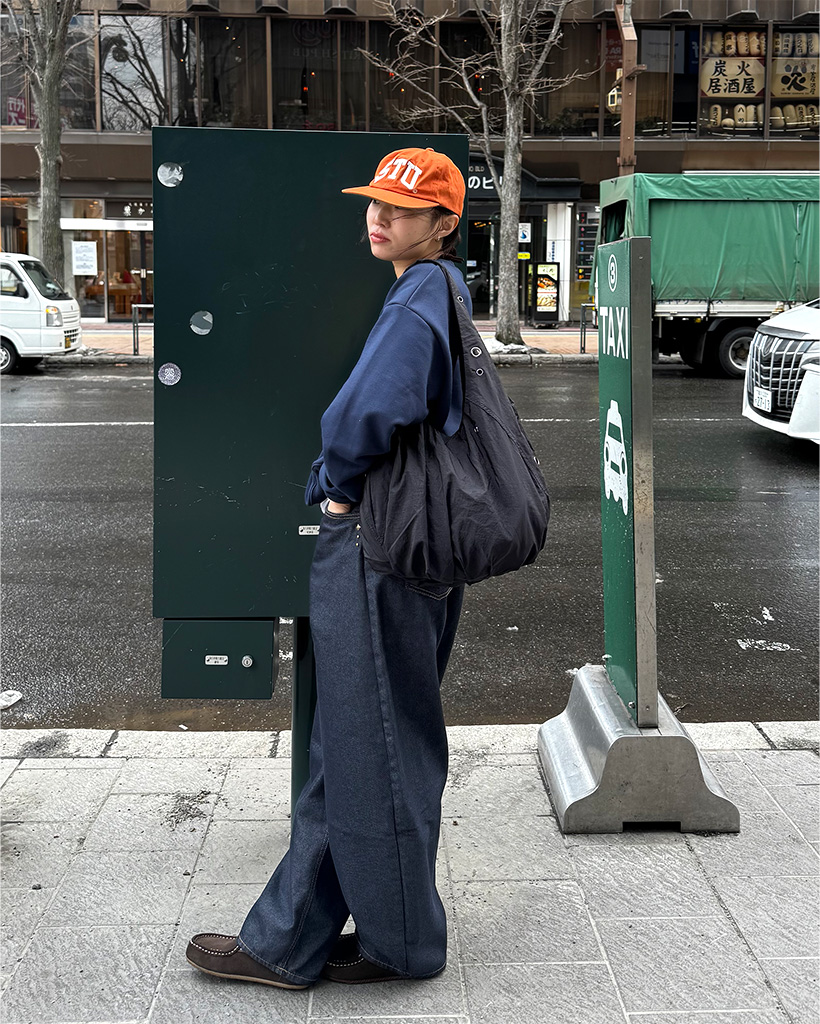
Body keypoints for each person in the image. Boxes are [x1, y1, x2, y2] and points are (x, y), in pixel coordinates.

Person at [186, 147, 472, 989]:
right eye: (375, 203)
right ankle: (363, 938)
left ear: (444, 223)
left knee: (361, 746)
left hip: (380, 547)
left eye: (402, 209)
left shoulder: (418, 296)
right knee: (379, 745)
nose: (378, 218)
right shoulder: (445, 290)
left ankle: (305, 945)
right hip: (422, 550)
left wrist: (338, 489)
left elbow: (367, 410)